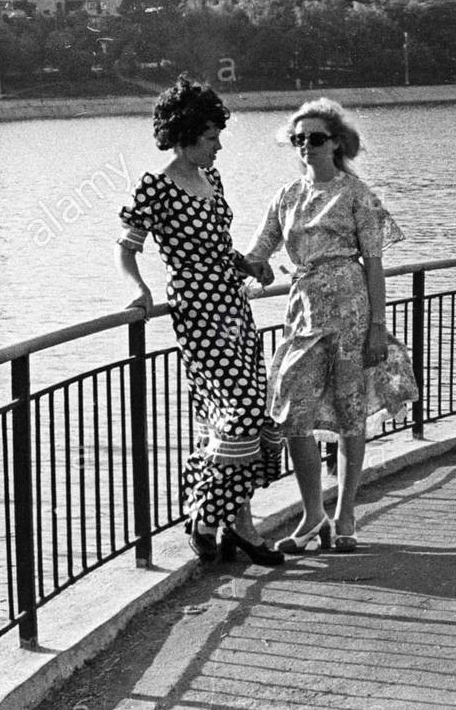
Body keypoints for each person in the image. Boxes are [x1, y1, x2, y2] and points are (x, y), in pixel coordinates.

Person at [115, 75, 285, 566]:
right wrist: (139, 290)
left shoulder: (212, 180)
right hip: (197, 309)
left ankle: (236, 526)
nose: (218, 147)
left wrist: (247, 264)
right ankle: (208, 517)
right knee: (242, 417)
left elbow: (217, 247)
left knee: (254, 413)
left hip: (234, 305)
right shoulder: (156, 186)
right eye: (210, 138)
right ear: (184, 135)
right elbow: (126, 250)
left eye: (219, 137)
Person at [246, 98, 416, 554]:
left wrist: (378, 326)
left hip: (351, 313)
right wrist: (233, 267)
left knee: (349, 413)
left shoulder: (357, 194)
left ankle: (345, 515)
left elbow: (375, 264)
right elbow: (259, 251)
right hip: (303, 311)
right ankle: (312, 513)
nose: (305, 146)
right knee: (292, 412)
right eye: (298, 139)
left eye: (316, 138)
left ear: (336, 142)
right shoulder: (287, 196)